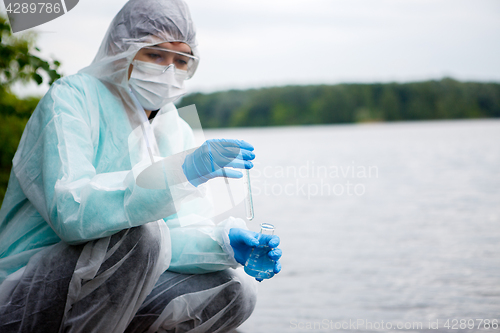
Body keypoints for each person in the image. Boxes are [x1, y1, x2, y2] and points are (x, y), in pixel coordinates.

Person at [0, 0, 282, 332]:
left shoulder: (177, 127)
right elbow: (70, 212)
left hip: (120, 286)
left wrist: (224, 242)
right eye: (156, 55)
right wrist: (178, 172)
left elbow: (173, 239)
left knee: (235, 290)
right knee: (142, 234)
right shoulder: (71, 98)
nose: (169, 70)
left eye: (181, 60)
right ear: (123, 48)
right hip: (31, 286)